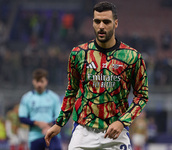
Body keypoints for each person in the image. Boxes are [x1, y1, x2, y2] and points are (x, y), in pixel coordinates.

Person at [45, 1, 149, 150]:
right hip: (83, 134)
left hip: (116, 135)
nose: (101, 26)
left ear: (116, 23)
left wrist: (122, 122)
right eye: (97, 21)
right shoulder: (78, 54)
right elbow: (71, 91)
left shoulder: (132, 57)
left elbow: (142, 95)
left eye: (106, 22)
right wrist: (59, 123)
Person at [18, 68, 62, 150]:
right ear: (33, 81)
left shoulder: (54, 97)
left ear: (46, 82)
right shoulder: (26, 98)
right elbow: (22, 118)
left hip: (52, 134)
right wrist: (37, 123)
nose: (39, 84)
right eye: (37, 81)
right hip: (35, 136)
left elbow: (60, 116)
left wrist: (48, 126)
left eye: (41, 81)